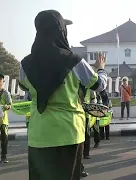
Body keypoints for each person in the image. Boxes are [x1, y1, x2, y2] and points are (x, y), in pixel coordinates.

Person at [18, 10, 108, 180]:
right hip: (69, 133)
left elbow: (25, 87)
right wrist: (101, 68)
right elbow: (99, 85)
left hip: (39, 135)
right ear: (61, 31)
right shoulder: (74, 61)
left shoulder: (25, 64)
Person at [0, 74, 12, 163]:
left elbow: (10, 105)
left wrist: (3, 107)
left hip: (3, 120)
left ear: (3, 82)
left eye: (0, 80)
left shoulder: (6, 93)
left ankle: (4, 156)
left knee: (4, 138)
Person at [83, 89, 97, 159]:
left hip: (86, 115)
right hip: (76, 114)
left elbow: (94, 99)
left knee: (87, 134)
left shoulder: (90, 87)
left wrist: (90, 108)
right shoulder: (76, 83)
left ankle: (86, 153)